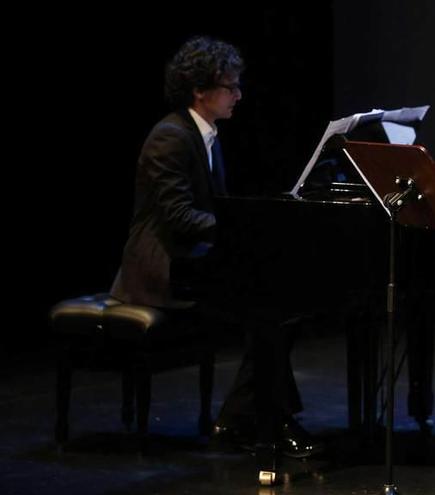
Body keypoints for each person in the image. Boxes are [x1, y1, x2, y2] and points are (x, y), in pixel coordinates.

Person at [110, 35, 320, 457]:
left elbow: (209, 213)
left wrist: (245, 227)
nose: (238, 96)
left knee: (283, 307)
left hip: (192, 262)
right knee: (270, 311)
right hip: (162, 270)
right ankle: (261, 418)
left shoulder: (205, 135)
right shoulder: (170, 137)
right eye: (231, 87)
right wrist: (241, 229)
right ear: (200, 90)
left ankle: (252, 416)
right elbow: (179, 218)